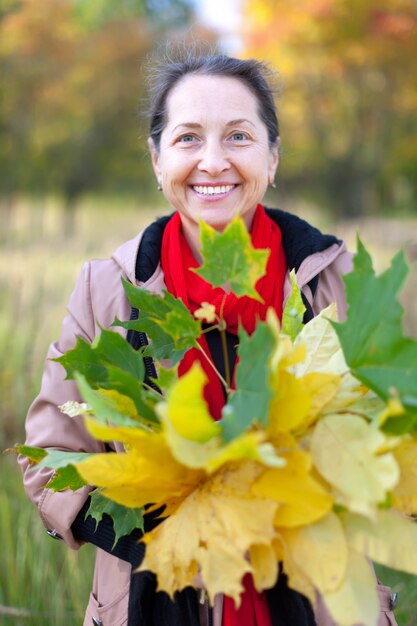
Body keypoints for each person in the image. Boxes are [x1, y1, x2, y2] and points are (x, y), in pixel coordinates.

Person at [19, 52, 398, 626]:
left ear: (272, 158)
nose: (213, 162)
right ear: (157, 159)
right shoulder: (108, 291)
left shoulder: (335, 282)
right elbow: (51, 463)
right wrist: (165, 540)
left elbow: (399, 430)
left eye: (239, 137)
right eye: (188, 138)